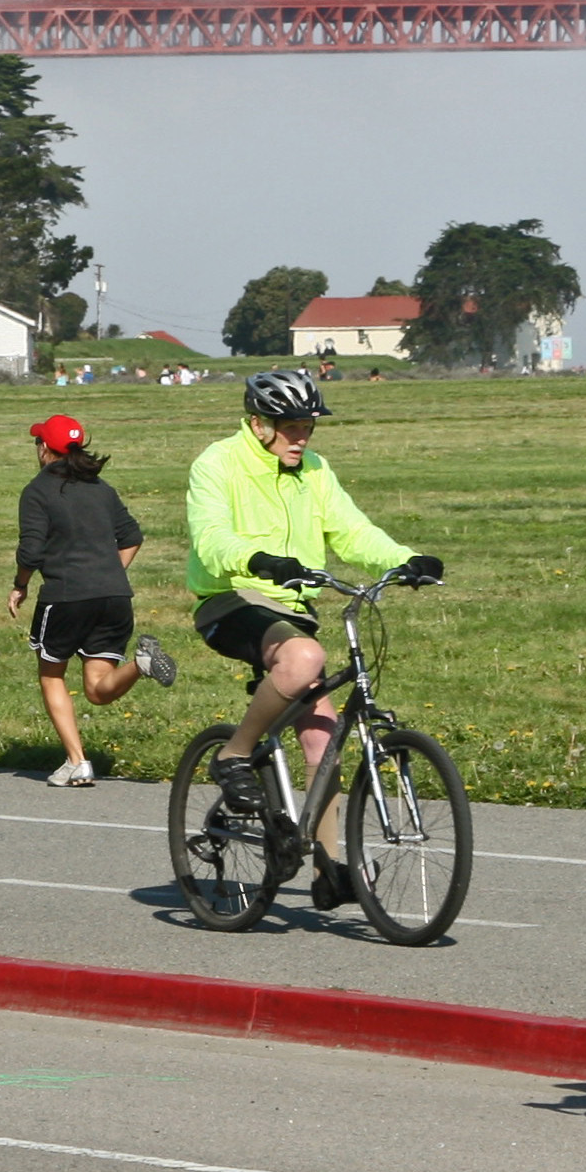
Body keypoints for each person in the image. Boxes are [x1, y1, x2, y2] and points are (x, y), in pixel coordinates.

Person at [183, 367, 441, 909]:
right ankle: (234, 754)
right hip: (231, 599)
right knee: (305, 656)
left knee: (322, 737)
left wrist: (405, 558)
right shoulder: (217, 463)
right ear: (258, 424)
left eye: (309, 427)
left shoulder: (316, 471)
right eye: (291, 426)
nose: (302, 437)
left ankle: (327, 868)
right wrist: (256, 558)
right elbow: (211, 539)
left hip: (292, 608)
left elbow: (352, 530)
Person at [10, 414, 176, 785]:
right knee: (98, 690)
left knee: (51, 674)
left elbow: (31, 551)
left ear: (44, 449)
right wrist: (110, 573)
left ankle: (76, 761)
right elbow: (132, 537)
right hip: (114, 596)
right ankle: (141, 664)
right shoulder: (102, 488)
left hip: (66, 598)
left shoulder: (37, 491)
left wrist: (20, 585)